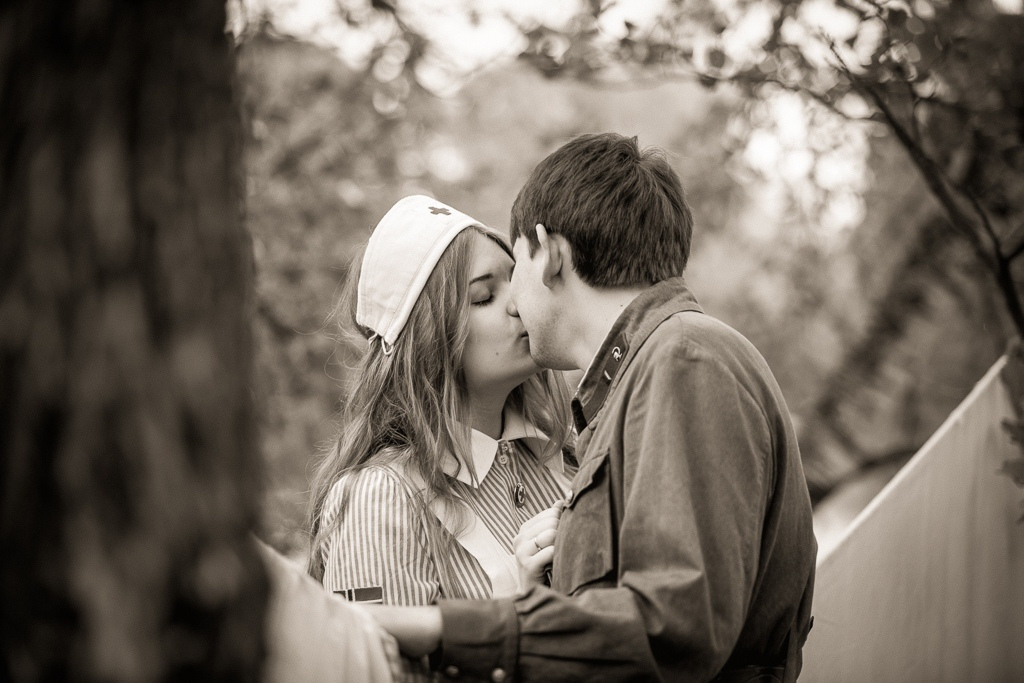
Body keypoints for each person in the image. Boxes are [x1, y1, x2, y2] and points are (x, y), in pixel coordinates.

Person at [364, 133, 818, 683]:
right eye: (484, 296)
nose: (513, 301)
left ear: (547, 252)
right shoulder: (645, 379)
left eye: (514, 269)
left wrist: (452, 630)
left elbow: (674, 626)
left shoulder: (683, 360)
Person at [306, 195, 575, 607]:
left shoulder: (562, 456)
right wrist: (512, 618)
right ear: (429, 340)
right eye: (484, 297)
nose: (521, 303)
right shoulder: (382, 497)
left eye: (516, 278)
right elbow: (384, 669)